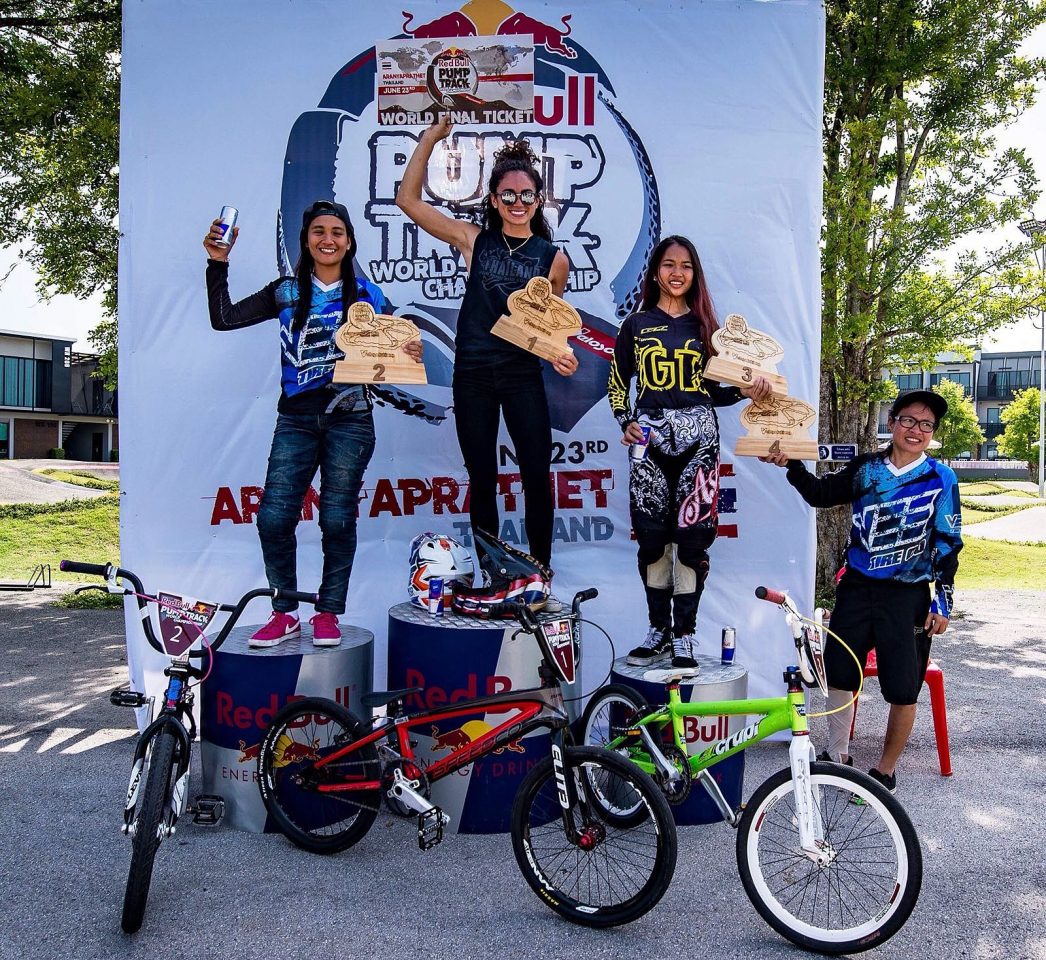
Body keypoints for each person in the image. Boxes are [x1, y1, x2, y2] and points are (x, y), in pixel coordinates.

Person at [204, 200, 422, 647]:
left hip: (351, 419)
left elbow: (397, 350)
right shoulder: (285, 290)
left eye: (337, 232)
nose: (328, 239)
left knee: (337, 520)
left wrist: (409, 352)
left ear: (349, 241)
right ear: (306, 239)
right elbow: (223, 319)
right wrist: (218, 262)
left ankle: (328, 613)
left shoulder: (368, 295)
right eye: (319, 230)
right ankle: (283, 611)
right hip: (296, 419)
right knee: (273, 519)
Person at [395, 117, 577, 585]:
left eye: (527, 196)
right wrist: (430, 139)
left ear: (540, 200)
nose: (518, 203)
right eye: (508, 196)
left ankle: (540, 573)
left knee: (536, 476)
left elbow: (552, 329)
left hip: (522, 377)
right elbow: (407, 201)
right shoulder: (472, 240)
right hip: (474, 374)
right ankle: (491, 575)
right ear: (493, 200)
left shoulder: (553, 259)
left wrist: (563, 355)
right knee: (483, 479)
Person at [760, 389, 963, 793]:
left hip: (907, 597)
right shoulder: (867, 469)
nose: (916, 430)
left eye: (926, 425)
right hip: (856, 588)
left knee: (903, 686)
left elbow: (948, 541)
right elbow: (821, 494)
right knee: (840, 672)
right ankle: (838, 758)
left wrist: (943, 601)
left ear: (932, 433)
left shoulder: (942, 478)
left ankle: (885, 771)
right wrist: (792, 465)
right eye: (908, 420)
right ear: (892, 423)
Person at [608, 236, 772, 673]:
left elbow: (714, 391)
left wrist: (746, 389)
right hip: (650, 443)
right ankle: (657, 629)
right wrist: (626, 420)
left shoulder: (707, 330)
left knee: (693, 541)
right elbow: (615, 381)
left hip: (699, 439)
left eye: (686, 266)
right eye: (668, 264)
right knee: (652, 541)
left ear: (695, 274)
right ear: (655, 271)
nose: (677, 273)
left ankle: (685, 634)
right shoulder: (636, 324)